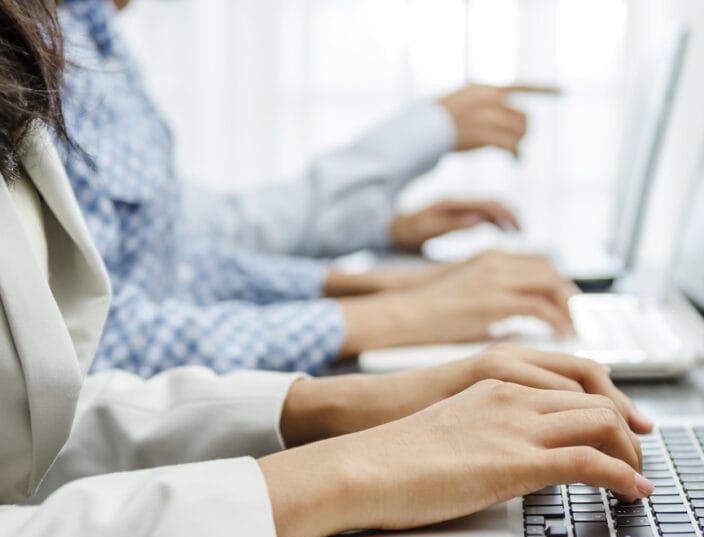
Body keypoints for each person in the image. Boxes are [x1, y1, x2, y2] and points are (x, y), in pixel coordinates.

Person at [0, 3, 654, 537]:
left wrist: (336, 406)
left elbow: (34, 413)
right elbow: (118, 329)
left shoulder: (59, 28)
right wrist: (343, 471)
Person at [58, 0, 574, 378]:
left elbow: (182, 254)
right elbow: (96, 353)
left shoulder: (91, 32)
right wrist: (404, 311)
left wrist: (394, 275)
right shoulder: (44, 56)